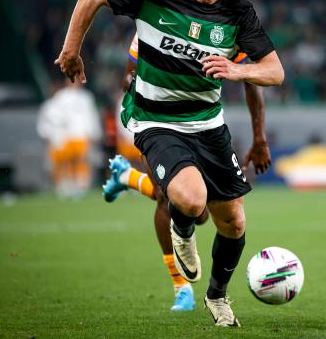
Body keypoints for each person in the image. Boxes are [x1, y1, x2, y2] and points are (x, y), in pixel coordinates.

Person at [55, 0, 284, 327]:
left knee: (233, 221)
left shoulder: (238, 12)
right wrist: (71, 50)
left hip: (209, 123)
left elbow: (275, 72)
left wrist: (236, 68)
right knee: (192, 201)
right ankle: (181, 231)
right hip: (155, 119)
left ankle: (217, 296)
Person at [101, 32, 272, 311]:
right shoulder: (153, 23)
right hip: (154, 123)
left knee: (200, 211)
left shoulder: (222, 26)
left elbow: (253, 80)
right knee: (167, 200)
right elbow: (126, 77)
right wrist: (143, 82)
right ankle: (181, 287)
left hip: (202, 128)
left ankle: (127, 177)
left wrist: (259, 138)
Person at [37, 80, 102, 199]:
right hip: (68, 134)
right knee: (67, 161)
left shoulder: (86, 97)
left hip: (82, 135)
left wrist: (94, 132)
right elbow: (55, 116)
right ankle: (67, 186)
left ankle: (81, 185)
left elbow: (91, 116)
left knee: (82, 160)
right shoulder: (62, 96)